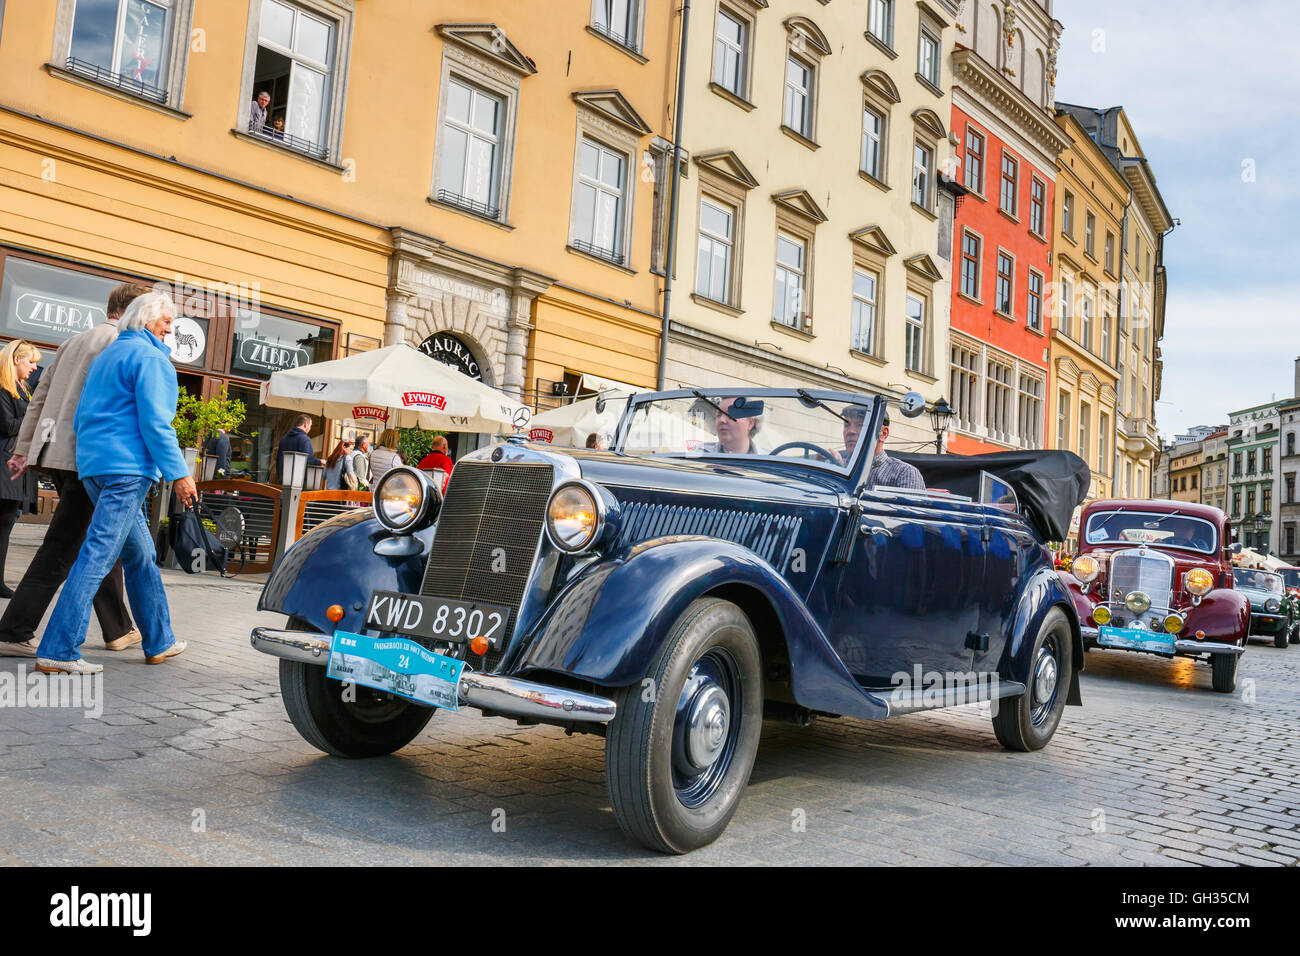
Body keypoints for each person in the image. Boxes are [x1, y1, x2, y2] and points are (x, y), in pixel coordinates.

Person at [35, 292, 196, 675]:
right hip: (127, 470)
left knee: (139, 555)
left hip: (94, 468)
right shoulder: (152, 359)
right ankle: (58, 649)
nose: (170, 328)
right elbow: (157, 425)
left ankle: (159, 641)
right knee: (97, 555)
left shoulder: (106, 356)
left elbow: (80, 417)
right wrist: (179, 474)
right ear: (143, 319)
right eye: (165, 320)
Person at [0, 283, 147, 658]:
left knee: (98, 540)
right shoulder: (122, 344)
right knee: (64, 546)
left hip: (60, 456)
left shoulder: (73, 341)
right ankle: (13, 630)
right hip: (93, 459)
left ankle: (118, 629)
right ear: (133, 310)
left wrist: (24, 450)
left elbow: (40, 399)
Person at [0, 340, 42, 596]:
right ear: (16, 359)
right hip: (4, 465)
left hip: (15, 468)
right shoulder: (3, 389)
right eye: (31, 361)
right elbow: (7, 425)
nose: (35, 367)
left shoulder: (23, 390)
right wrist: (33, 413)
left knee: (5, 525)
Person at [866, 409, 925, 491]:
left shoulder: (905, 473)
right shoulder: (842, 467)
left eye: (861, 425)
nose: (851, 431)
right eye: (847, 425)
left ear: (883, 434)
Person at [696, 397, 764, 455]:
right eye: (718, 415)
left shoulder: (768, 460)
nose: (721, 420)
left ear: (750, 423)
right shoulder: (701, 453)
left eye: (731, 414)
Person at [274, 413, 322, 483]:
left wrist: (280, 477)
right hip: (297, 482)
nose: (310, 428)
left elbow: (278, 461)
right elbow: (307, 461)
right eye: (310, 426)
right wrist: (320, 461)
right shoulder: (304, 439)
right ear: (305, 424)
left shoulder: (284, 439)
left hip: (283, 481)